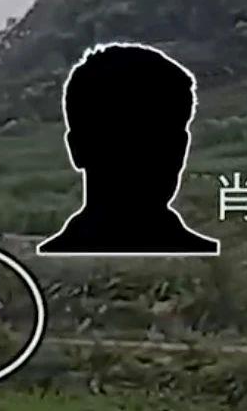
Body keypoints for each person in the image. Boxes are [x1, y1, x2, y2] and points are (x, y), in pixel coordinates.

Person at [37, 43, 220, 256]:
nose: (148, 157)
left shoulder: (38, 264)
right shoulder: (219, 264)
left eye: (164, 136)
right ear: (79, 147)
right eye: (128, 137)